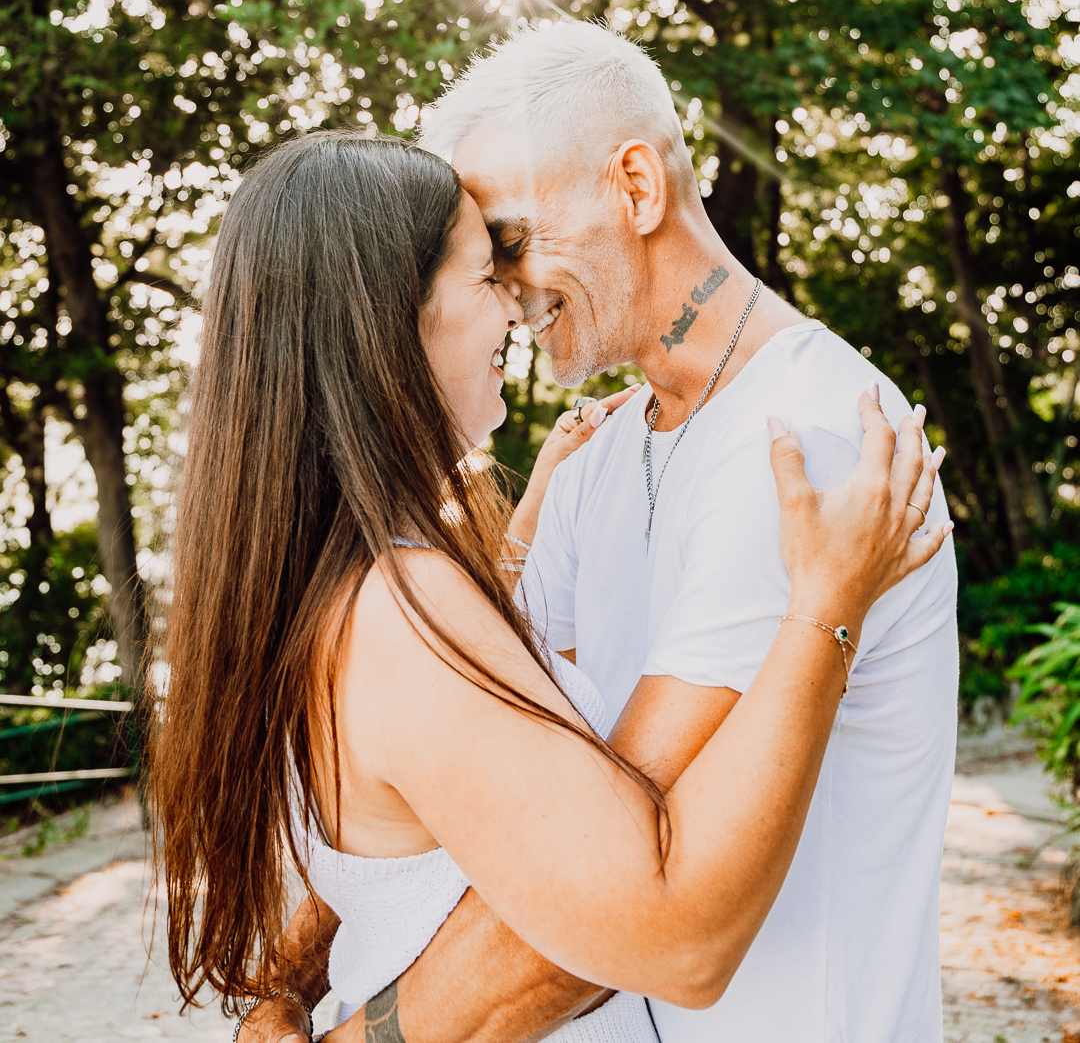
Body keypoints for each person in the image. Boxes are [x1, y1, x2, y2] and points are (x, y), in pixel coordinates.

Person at [152, 128, 948, 1043]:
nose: (516, 307)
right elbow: (676, 938)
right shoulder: (406, 613)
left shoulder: (343, 587)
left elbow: (408, 852)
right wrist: (827, 606)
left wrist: (289, 989)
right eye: (487, 274)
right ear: (390, 321)